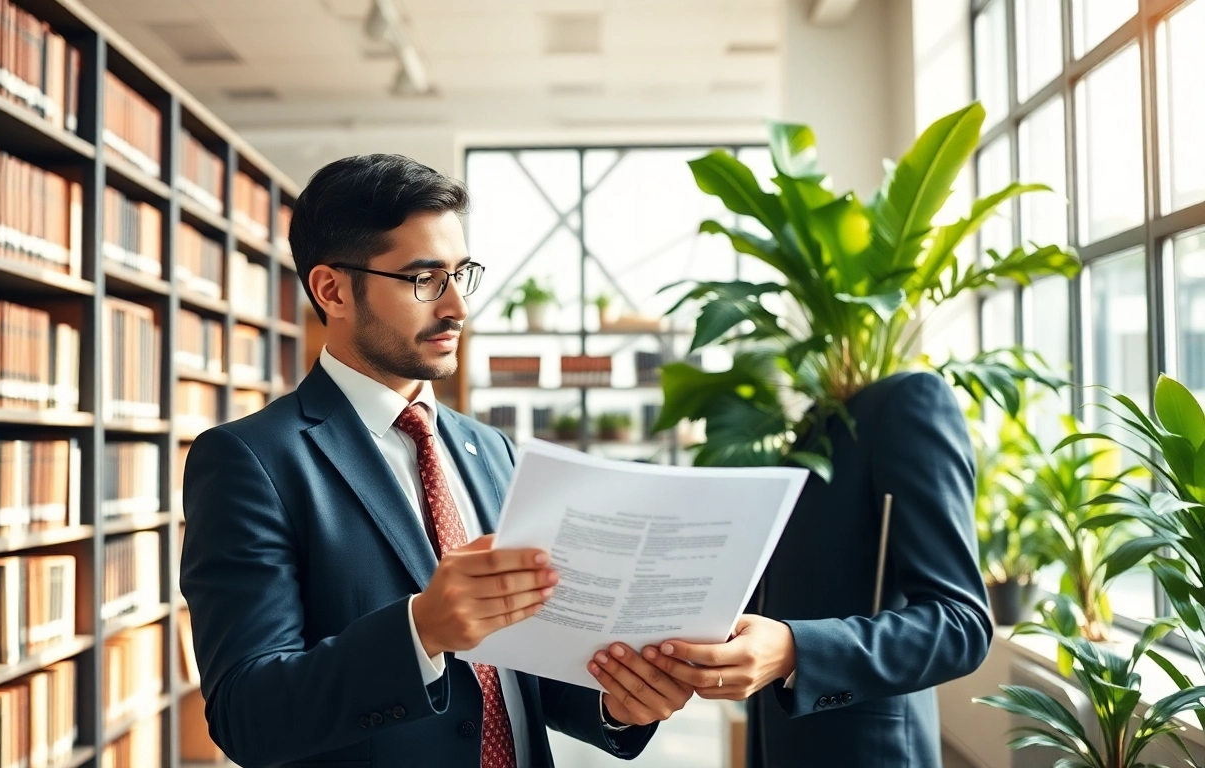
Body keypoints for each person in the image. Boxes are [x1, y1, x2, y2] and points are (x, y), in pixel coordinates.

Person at [179, 154, 691, 768]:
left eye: (460, 274)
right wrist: (420, 631)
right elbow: (247, 714)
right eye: (424, 280)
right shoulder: (250, 460)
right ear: (332, 290)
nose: (456, 308)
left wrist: (616, 701)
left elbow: (514, 675)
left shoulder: (491, 449)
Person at [642, 371, 993, 767]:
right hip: (776, 746)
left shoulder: (907, 401)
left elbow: (963, 624)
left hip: (868, 751)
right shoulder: (812, 427)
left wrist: (795, 651)